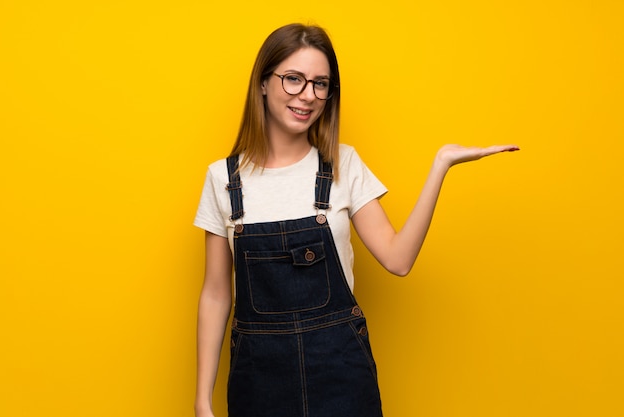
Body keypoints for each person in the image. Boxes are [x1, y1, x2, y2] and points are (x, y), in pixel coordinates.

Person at [193, 23, 519, 417]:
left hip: (340, 374)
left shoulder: (343, 166)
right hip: (258, 379)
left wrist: (441, 165)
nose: (307, 96)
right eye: (293, 79)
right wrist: (202, 401)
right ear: (263, 82)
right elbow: (215, 295)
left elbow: (398, 260)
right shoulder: (223, 180)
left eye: (320, 84)